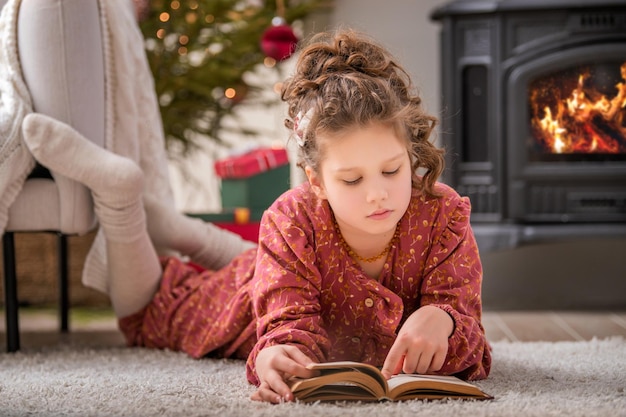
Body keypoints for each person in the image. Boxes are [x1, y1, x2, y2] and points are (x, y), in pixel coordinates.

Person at [20, 28, 491, 404]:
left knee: (254, 259)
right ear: (316, 181)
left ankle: (170, 224)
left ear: (411, 155)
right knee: (148, 309)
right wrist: (277, 357)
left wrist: (443, 318)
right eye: (352, 180)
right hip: (246, 295)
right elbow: (286, 329)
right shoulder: (291, 218)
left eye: (392, 169)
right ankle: (122, 199)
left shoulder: (443, 214)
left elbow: (473, 339)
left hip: (280, 265)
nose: (378, 195)